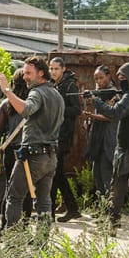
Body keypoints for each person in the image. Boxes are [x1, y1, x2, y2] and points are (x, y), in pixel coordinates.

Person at [0, 56, 64, 231]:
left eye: (29, 73)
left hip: (33, 155)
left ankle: (13, 242)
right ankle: (41, 243)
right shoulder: (56, 94)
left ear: (41, 73)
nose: (25, 76)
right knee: (44, 201)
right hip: (50, 157)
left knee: (15, 197)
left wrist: (7, 90)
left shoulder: (37, 92)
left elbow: (26, 109)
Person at [92, 63, 129, 238]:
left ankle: (112, 225)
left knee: (117, 188)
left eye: (124, 78)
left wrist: (96, 101)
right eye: (119, 79)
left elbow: (115, 113)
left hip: (127, 149)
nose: (121, 82)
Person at [0, 69, 32, 225]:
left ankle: (4, 227)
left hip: (10, 150)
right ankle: (25, 227)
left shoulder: (7, 104)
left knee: (10, 189)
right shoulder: (33, 104)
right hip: (27, 151)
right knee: (27, 190)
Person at [49, 57, 82, 222]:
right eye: (51, 69)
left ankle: (51, 211)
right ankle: (72, 208)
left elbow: (77, 109)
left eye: (56, 69)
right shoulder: (54, 84)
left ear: (63, 69)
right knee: (57, 173)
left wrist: (59, 110)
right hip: (54, 134)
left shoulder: (69, 85)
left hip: (63, 135)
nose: (53, 72)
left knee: (56, 172)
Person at [83, 65, 119, 197]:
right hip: (97, 139)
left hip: (107, 139)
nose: (98, 81)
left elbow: (111, 116)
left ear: (109, 76)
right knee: (96, 174)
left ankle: (110, 206)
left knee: (106, 173)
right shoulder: (100, 92)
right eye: (96, 78)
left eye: (101, 78)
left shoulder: (114, 94)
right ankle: (102, 205)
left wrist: (93, 115)